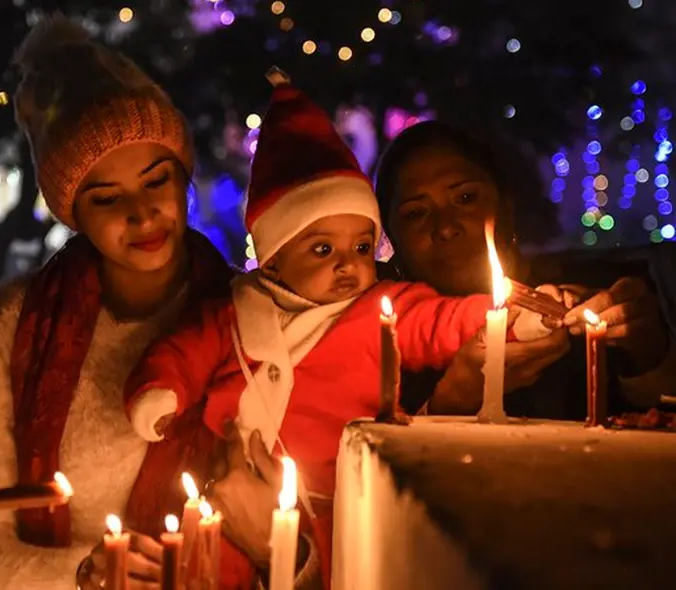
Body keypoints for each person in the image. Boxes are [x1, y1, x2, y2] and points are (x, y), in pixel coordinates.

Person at [123, 72, 546, 588]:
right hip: (231, 495)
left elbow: (439, 321)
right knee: (203, 568)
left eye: (362, 248)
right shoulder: (233, 311)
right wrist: (160, 391)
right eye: (323, 250)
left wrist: (502, 317)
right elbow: (183, 352)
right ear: (274, 260)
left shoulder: (380, 307)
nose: (349, 265)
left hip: (338, 499)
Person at [0, 17, 321, 590]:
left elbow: (318, 525)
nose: (141, 214)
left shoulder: (252, 318)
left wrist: (278, 547)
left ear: (182, 179)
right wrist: (89, 573)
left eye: (154, 181)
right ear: (73, 211)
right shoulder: (13, 323)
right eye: (107, 197)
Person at [374, 120, 676, 418]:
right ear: (391, 236)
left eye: (465, 198)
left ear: (506, 206)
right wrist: (454, 398)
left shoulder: (592, 295)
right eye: (416, 213)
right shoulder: (376, 340)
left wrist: (650, 353)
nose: (446, 228)